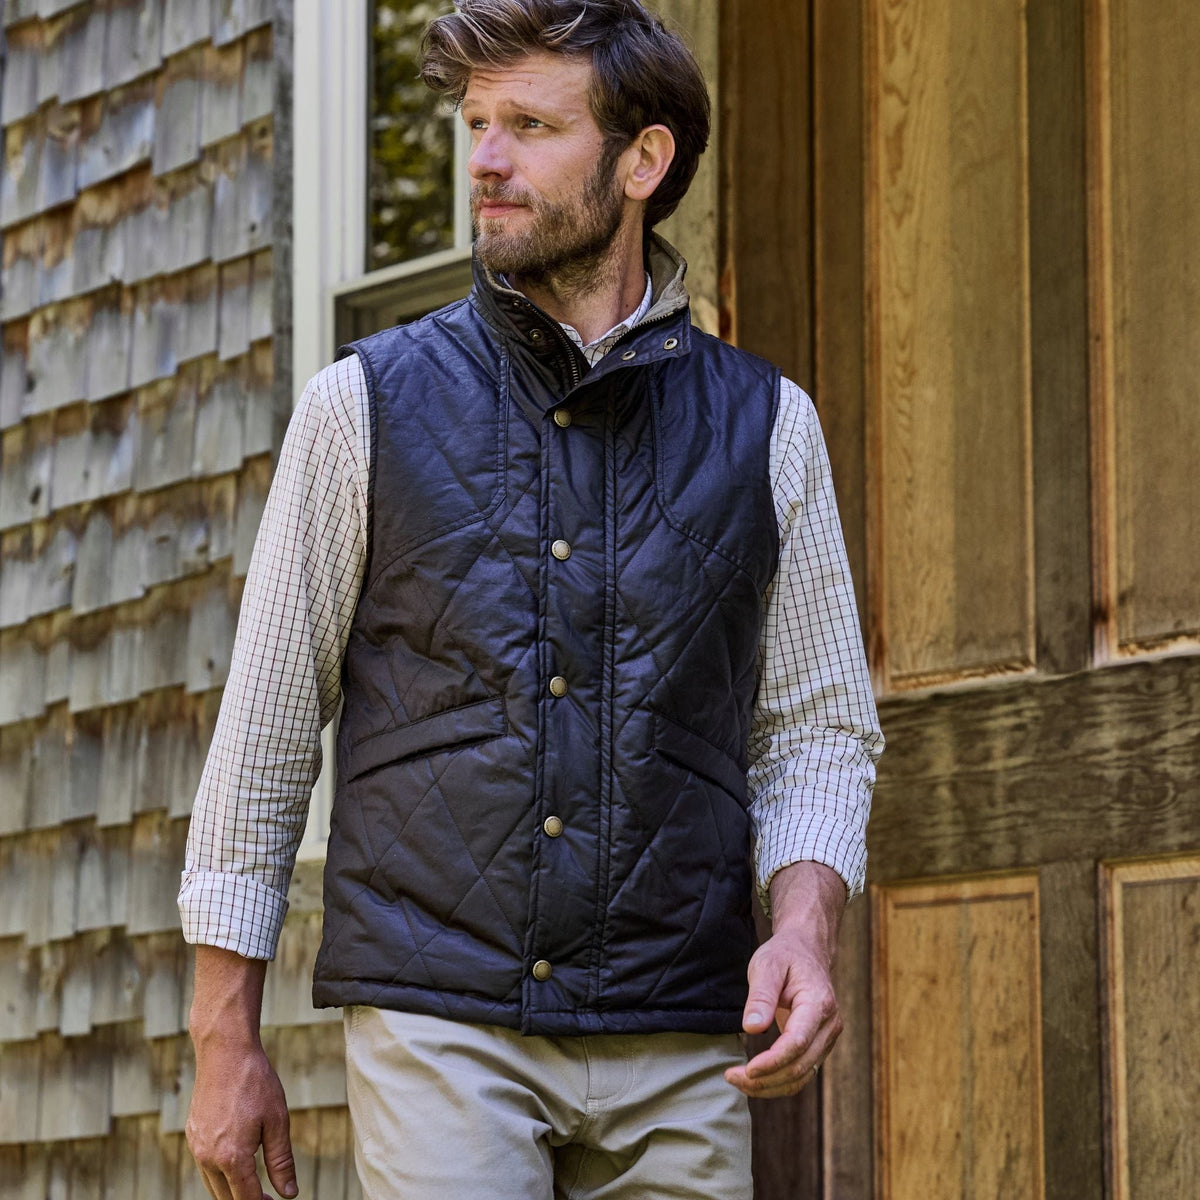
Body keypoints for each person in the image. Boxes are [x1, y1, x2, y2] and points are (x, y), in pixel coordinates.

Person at [178, 2, 883, 1197]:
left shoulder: (773, 426)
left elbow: (816, 725)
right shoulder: (360, 408)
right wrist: (221, 1037)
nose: (486, 160)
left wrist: (805, 930)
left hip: (681, 1029)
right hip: (440, 1018)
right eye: (474, 124)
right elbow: (264, 736)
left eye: (530, 126)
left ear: (642, 161)